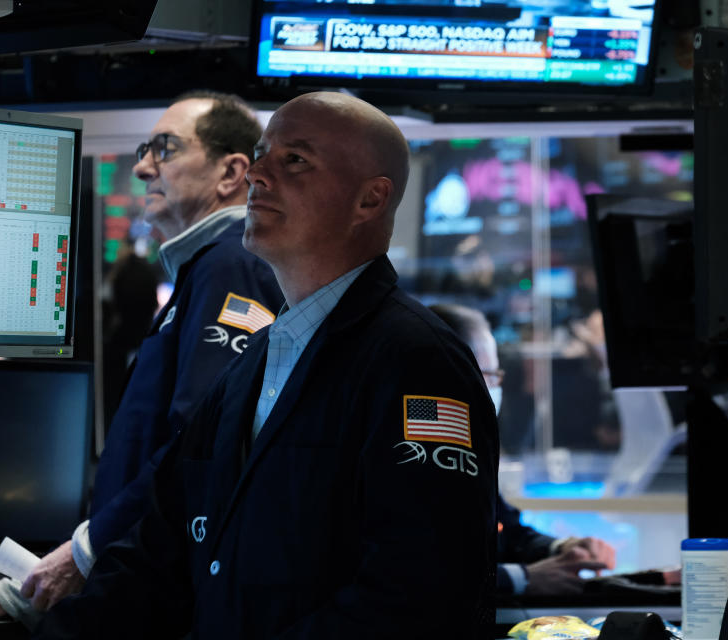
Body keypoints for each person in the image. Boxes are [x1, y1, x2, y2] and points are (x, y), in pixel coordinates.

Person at [35, 92, 499, 639]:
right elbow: (158, 550)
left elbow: (419, 596)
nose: (257, 174)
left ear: (370, 200)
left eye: (294, 160)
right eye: (261, 154)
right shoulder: (253, 363)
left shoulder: (418, 362)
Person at [0, 91, 284, 626]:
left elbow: (193, 450)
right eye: (144, 149)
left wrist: (71, 566)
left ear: (231, 172)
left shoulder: (231, 267)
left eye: (165, 148)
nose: (145, 165)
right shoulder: (206, 271)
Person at [429, 303, 617, 597]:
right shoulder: (421, 457)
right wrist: (523, 578)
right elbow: (425, 570)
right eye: (490, 374)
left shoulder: (469, 449)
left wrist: (563, 548)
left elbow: (507, 531)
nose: (495, 386)